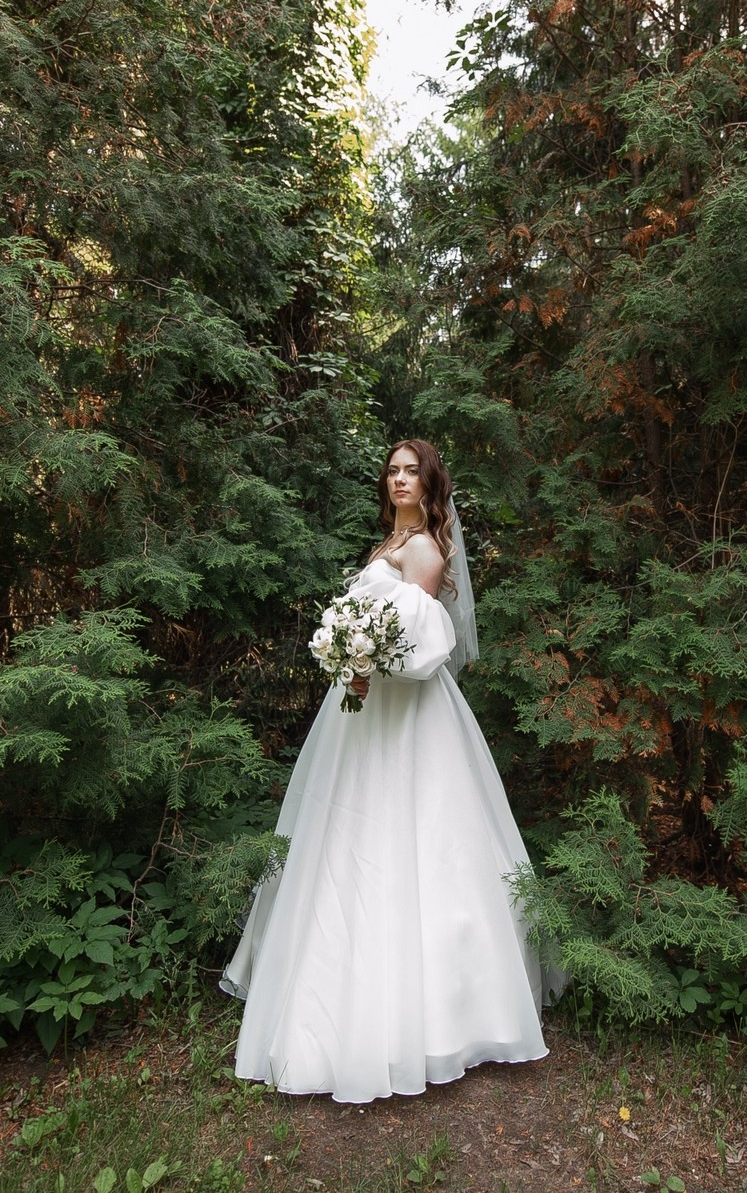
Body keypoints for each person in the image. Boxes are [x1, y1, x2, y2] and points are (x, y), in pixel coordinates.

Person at [221, 439, 563, 1102]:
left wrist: (362, 655)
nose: (400, 479)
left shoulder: (427, 552)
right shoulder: (386, 545)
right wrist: (347, 662)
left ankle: (433, 1020)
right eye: (393, 470)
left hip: (406, 716)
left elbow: (418, 647)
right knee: (342, 840)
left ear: (431, 484)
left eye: (413, 472)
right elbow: (375, 635)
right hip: (360, 707)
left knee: (417, 843)